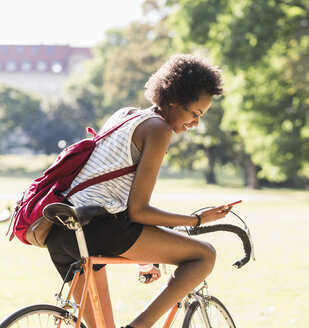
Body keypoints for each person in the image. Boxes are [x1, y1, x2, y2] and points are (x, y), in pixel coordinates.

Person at [45, 54, 231, 328]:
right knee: (204, 255)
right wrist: (198, 220)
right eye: (195, 113)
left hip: (60, 231)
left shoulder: (125, 114)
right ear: (173, 101)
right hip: (96, 229)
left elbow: (115, 201)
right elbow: (138, 211)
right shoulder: (158, 129)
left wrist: (145, 258)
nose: (196, 124)